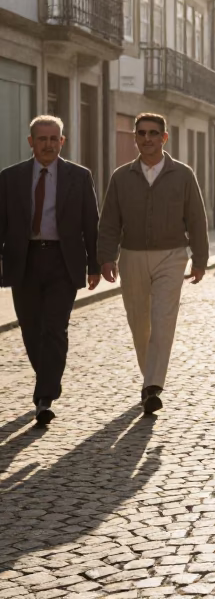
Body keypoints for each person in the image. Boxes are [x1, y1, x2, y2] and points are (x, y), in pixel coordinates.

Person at [99, 113, 210, 416]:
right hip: (132, 256)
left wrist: (200, 259)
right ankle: (150, 377)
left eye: (153, 133)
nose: (146, 138)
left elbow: (197, 219)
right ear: (135, 137)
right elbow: (109, 221)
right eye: (141, 133)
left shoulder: (183, 175)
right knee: (139, 324)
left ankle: (152, 386)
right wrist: (106, 257)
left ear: (164, 138)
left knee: (162, 320)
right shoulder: (121, 177)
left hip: (172, 256)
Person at [0, 115, 101, 426]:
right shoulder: (10, 178)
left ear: (62, 141)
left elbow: (90, 223)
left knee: (54, 328)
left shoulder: (79, 177)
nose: (48, 144)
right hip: (24, 260)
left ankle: (44, 397)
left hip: (63, 261)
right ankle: (48, 381)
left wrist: (96, 264)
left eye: (54, 139)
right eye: (42, 139)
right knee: (31, 330)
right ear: (31, 142)